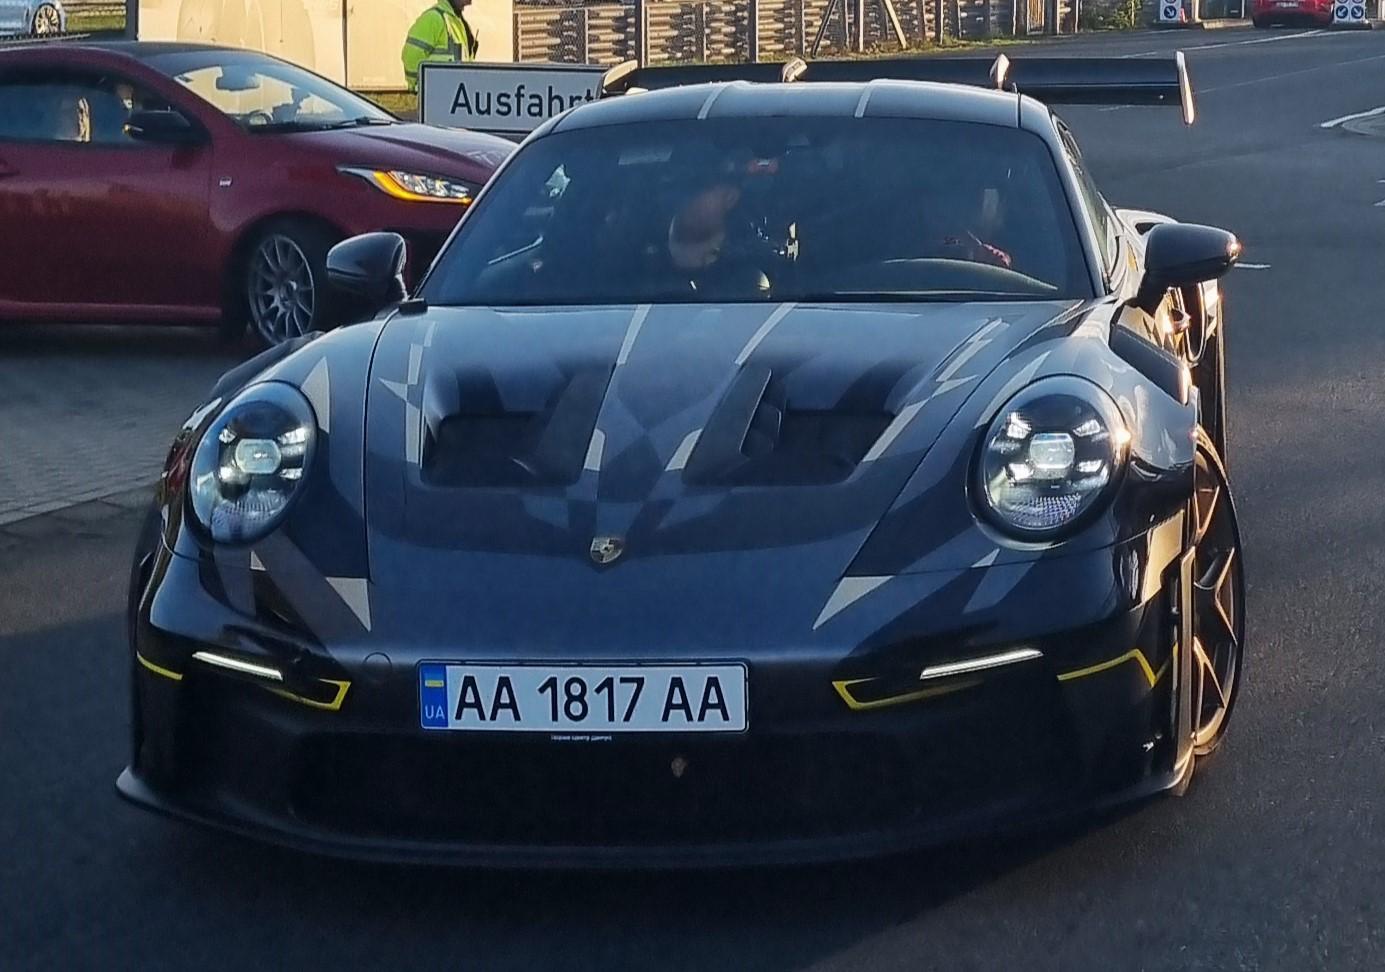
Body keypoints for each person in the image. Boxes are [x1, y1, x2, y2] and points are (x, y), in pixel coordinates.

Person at [402, 0, 480, 94]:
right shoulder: (433, 18)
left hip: (450, 96)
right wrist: (420, 88)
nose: (470, 2)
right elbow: (411, 55)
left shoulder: (458, 23)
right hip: (435, 97)